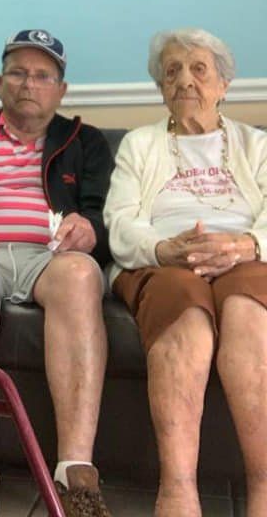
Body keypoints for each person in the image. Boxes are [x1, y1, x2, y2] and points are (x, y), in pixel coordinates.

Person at [0, 29, 114, 517]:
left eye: (42, 76)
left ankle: (75, 472)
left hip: (52, 256)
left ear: (61, 90)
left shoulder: (86, 141)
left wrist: (89, 228)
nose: (28, 84)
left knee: (81, 277)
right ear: (0, 83)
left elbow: (104, 214)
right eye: (17, 73)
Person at [104, 29, 267, 517]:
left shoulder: (256, 145)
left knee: (248, 309)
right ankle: (177, 492)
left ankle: (263, 488)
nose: (185, 80)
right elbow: (120, 221)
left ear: (224, 84)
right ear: (160, 88)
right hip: (164, 262)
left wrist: (246, 245)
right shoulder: (140, 145)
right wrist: (162, 249)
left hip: (246, 256)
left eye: (199, 69)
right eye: (171, 71)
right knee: (184, 306)